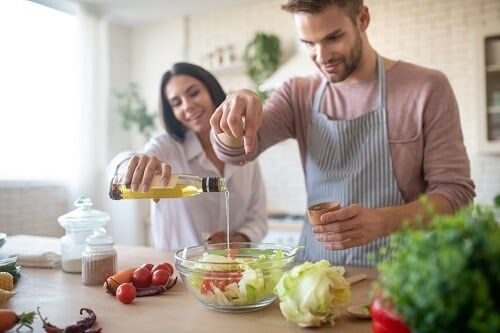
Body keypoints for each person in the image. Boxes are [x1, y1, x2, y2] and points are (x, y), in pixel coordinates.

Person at [209, 0, 476, 266]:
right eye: (308, 44)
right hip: (316, 277)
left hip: (400, 280)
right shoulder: (297, 94)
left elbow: (456, 196)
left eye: (333, 38)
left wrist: (382, 222)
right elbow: (234, 153)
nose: (322, 56)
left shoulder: (426, 88)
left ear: (362, 19)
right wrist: (239, 104)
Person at [113, 62, 268, 251]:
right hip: (175, 272)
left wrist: (238, 239)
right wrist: (132, 164)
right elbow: (120, 166)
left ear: (211, 91)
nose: (187, 106)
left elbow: (258, 218)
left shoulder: (243, 147)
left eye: (193, 93)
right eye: (176, 103)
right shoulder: (167, 147)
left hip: (230, 269)